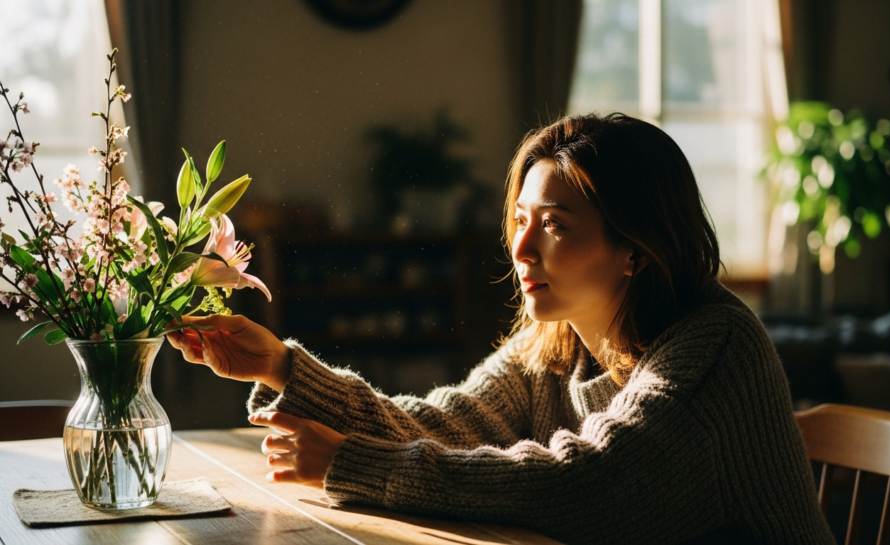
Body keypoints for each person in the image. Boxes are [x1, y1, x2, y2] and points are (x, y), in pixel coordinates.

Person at [167, 113, 836, 544]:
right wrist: (283, 366)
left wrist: (349, 462)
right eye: (520, 218)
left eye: (556, 225)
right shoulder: (556, 341)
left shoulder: (715, 346)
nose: (521, 248)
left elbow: (592, 490)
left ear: (634, 248)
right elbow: (437, 426)